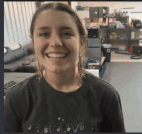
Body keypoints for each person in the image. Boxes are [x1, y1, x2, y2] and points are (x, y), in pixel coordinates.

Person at [4, 3, 125, 133]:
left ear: (82, 42)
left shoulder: (105, 96)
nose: (55, 42)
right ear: (33, 42)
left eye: (66, 33)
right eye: (44, 34)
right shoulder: (16, 100)